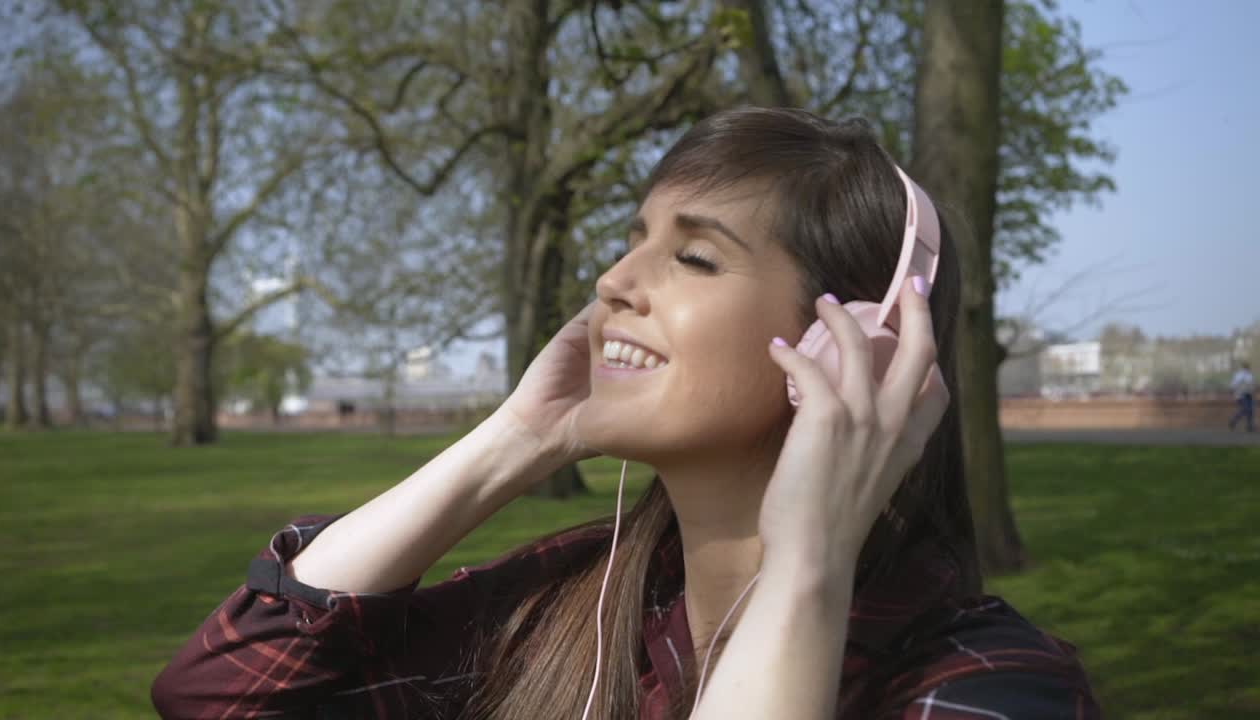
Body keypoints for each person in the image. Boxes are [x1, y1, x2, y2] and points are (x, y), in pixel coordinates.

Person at [151, 108, 1098, 719]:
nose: (612, 282)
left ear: (862, 342)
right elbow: (221, 694)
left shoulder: (990, 690)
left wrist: (808, 566)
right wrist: (517, 438)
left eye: (694, 257)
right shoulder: (577, 612)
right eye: (631, 242)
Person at [1229, 361, 1255, 432]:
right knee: (1246, 409)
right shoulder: (1240, 374)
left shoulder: (1249, 375)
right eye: (1247, 367)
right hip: (1241, 394)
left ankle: (1249, 426)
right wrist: (1233, 391)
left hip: (1248, 394)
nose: (1248, 368)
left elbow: (1251, 385)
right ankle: (1233, 421)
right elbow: (1233, 384)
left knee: (1250, 411)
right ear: (1245, 367)